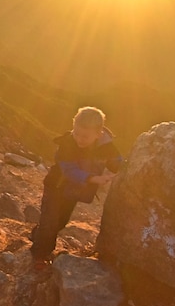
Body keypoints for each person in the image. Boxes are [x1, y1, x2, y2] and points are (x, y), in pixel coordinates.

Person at [30, 106, 123, 266]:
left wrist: (119, 167)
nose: (79, 139)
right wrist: (94, 178)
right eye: (76, 133)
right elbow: (69, 171)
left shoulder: (106, 145)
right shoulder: (67, 144)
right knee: (50, 222)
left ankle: (37, 234)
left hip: (72, 191)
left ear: (99, 134)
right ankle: (39, 255)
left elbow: (116, 161)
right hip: (55, 187)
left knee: (61, 222)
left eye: (85, 136)